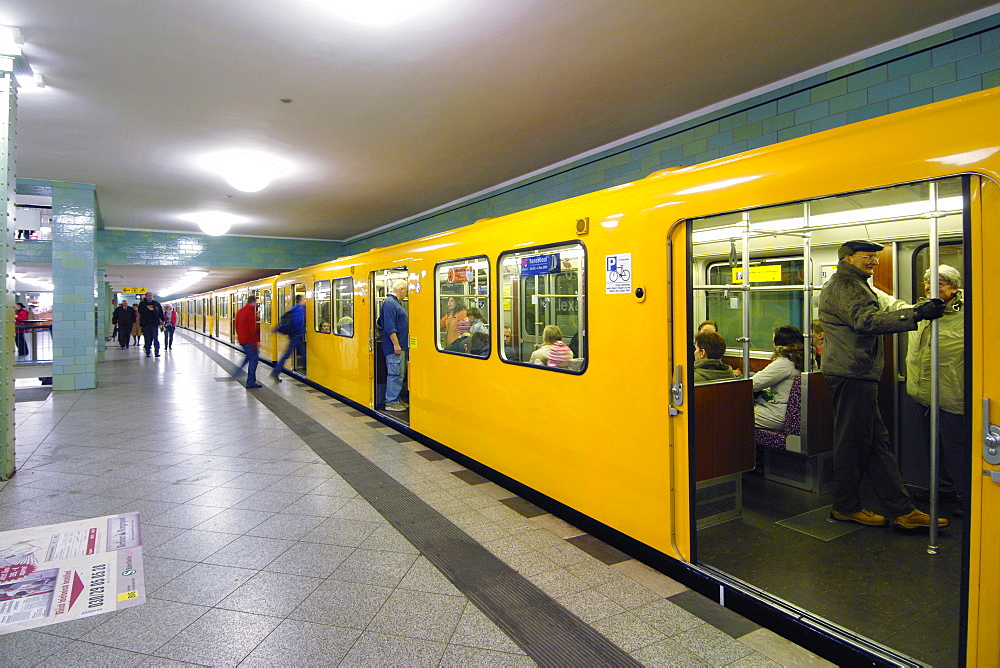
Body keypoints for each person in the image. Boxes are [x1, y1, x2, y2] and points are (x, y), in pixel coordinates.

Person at [818, 240, 947, 530]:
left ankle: (901, 510)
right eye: (867, 257)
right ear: (848, 259)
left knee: (877, 443)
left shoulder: (856, 284)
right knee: (852, 442)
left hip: (858, 371)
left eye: (876, 257)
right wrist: (915, 314)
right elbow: (865, 321)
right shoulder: (846, 285)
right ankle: (846, 506)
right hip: (852, 372)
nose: (874, 261)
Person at [906, 264, 966, 510]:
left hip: (953, 396)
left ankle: (968, 498)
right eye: (928, 283)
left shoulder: (967, 314)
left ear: (954, 288)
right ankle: (944, 490)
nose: (930, 288)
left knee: (957, 451)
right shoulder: (922, 312)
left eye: (938, 284)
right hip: (924, 395)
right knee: (934, 448)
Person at [752, 325, 805, 429]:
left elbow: (753, 384)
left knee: (735, 415)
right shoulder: (809, 360)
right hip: (796, 414)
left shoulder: (785, 362)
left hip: (778, 414)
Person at [381, 280, 409, 412]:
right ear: (401, 289)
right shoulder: (390, 304)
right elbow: (389, 327)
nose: (406, 293)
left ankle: (396, 399)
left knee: (399, 375)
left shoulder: (395, 303)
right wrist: (396, 344)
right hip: (395, 348)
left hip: (401, 346)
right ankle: (391, 401)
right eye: (406, 291)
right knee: (395, 374)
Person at [271, 295, 306, 382]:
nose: (305, 300)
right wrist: (300, 333)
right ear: (301, 300)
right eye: (304, 299)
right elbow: (298, 322)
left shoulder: (293, 308)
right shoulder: (299, 309)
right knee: (288, 354)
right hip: (296, 336)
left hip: (294, 335)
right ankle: (275, 372)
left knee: (303, 352)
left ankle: (306, 368)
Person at [234, 295, 262, 389]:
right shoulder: (250, 312)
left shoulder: (240, 311)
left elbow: (236, 325)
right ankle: (250, 382)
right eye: (256, 302)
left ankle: (236, 372)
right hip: (249, 340)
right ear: (253, 302)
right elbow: (251, 328)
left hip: (242, 339)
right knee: (254, 360)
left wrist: (239, 337)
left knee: (248, 358)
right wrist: (255, 342)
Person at [137, 292, 164, 357]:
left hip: (154, 323)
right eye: (148, 296)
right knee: (147, 338)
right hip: (145, 324)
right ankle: (148, 351)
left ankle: (156, 352)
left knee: (155, 338)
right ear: (145, 297)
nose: (150, 297)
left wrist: (163, 320)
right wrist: (148, 311)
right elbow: (140, 311)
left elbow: (160, 312)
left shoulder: (156, 303)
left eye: (151, 296)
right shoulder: (142, 304)